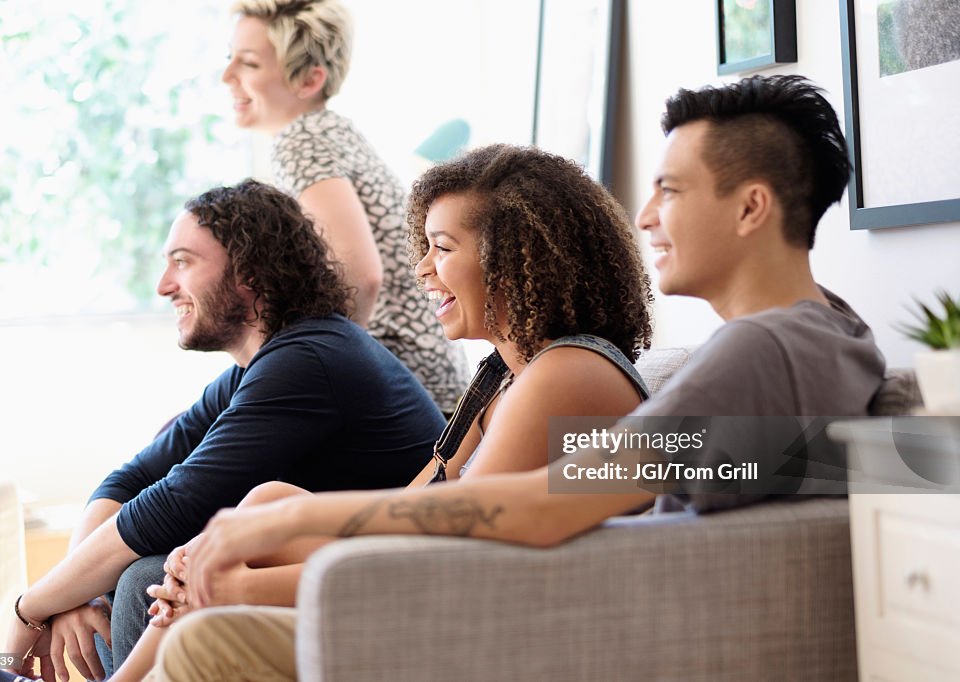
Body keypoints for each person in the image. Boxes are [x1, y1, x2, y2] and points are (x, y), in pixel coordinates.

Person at [138, 74, 887, 681]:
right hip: (591, 605)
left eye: (672, 190)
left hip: (564, 631)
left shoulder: (760, 353)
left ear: (752, 207)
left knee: (209, 639)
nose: (646, 214)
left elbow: (541, 507)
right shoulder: (832, 339)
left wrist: (281, 526)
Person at [88, 143, 656, 681]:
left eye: (443, 247)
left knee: (204, 570)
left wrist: (238, 586)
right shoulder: (505, 379)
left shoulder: (564, 374)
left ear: (515, 260)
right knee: (261, 503)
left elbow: (445, 555)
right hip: (427, 585)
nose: (424, 269)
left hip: (465, 625)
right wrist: (228, 551)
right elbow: (409, 511)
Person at [0, 179, 443, 682]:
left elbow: (171, 505)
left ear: (250, 271)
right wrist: (77, 595)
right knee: (123, 573)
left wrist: (28, 608)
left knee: (143, 578)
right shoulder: (260, 368)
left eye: (183, 261)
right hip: (326, 570)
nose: (163, 285)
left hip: (383, 592)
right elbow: (127, 482)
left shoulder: (309, 360)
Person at [222, 0, 469, 413]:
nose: (226, 76)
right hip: (429, 378)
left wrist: (309, 366)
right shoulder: (329, 131)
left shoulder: (301, 141)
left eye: (248, 64)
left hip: (405, 380)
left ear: (309, 80)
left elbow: (360, 276)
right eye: (230, 59)